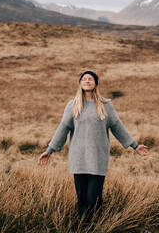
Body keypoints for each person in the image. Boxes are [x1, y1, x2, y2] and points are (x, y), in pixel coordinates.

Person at [37, 70, 149, 222]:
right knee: (82, 200)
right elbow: (62, 128)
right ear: (80, 83)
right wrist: (49, 151)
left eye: (90, 79)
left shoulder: (105, 105)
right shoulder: (73, 105)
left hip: (97, 159)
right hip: (79, 160)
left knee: (94, 200)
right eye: (84, 79)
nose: (87, 80)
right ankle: (84, 227)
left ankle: (96, 226)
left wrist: (135, 145)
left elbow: (117, 126)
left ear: (96, 83)